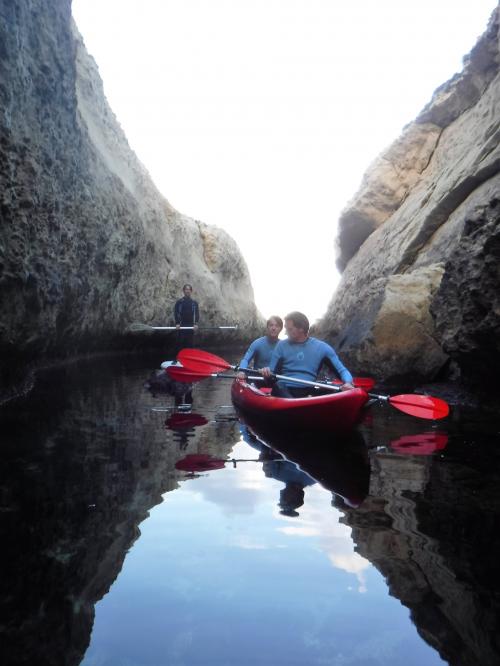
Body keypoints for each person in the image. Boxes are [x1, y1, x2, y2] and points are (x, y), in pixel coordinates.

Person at [261, 311, 354, 398]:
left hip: (308, 391)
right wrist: (267, 374)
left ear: (301, 329)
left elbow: (342, 371)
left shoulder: (322, 348)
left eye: (289, 329)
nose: (285, 332)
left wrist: (348, 383)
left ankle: (299, 407)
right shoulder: (281, 346)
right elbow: (271, 375)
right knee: (279, 385)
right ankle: (296, 407)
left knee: (336, 388)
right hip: (284, 390)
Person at [173, 283, 199, 349]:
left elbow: (197, 314)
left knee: (190, 345)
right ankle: (179, 358)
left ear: (191, 291)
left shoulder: (194, 303)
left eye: (189, 289)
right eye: (186, 289)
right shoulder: (179, 302)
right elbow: (176, 313)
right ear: (183, 291)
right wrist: (177, 323)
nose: (187, 291)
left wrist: (196, 323)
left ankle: (189, 357)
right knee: (180, 345)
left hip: (191, 327)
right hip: (181, 326)